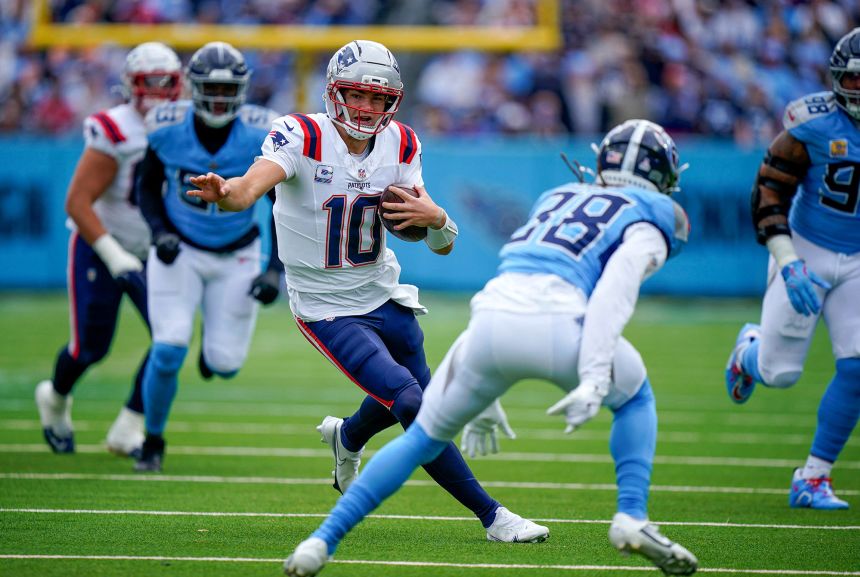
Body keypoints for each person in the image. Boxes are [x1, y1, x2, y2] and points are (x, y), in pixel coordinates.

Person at [281, 119, 700, 577]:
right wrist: (597, 375)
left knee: (422, 433)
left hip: (491, 321)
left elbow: (512, 280)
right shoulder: (656, 214)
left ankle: (321, 542)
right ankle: (632, 516)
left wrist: (484, 384)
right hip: (566, 327)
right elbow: (613, 294)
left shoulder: (558, 196)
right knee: (635, 396)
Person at [188, 39, 549, 548]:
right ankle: (492, 516)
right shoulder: (302, 134)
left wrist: (441, 220)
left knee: (418, 392)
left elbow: (439, 242)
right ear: (335, 92)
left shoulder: (400, 143)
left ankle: (347, 436)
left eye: (380, 99)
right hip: (325, 307)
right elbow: (249, 188)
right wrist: (227, 193)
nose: (368, 108)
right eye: (358, 94)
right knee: (411, 400)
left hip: (383, 292)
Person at [725, 28, 860, 511]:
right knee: (780, 374)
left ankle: (813, 478)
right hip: (806, 248)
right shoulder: (812, 123)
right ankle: (748, 352)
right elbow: (768, 192)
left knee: (858, 365)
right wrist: (789, 262)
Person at [133, 41, 283, 472]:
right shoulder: (166, 128)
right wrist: (159, 232)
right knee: (168, 348)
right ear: (193, 88)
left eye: (227, 89)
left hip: (238, 253)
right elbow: (146, 187)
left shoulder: (260, 134)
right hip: (179, 250)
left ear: (242, 90)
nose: (219, 98)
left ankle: (210, 351)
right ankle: (152, 442)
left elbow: (280, 204)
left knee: (225, 364)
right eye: (210, 89)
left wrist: (274, 269)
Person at [35, 42, 182, 457]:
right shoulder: (114, 128)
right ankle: (56, 397)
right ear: (129, 86)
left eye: (163, 83)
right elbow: (77, 202)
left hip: (155, 250)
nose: (155, 93)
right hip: (102, 246)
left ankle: (129, 426)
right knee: (90, 348)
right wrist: (114, 255)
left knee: (169, 340)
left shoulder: (186, 125)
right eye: (146, 84)